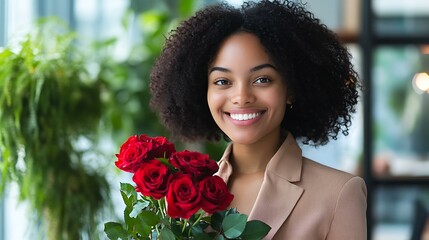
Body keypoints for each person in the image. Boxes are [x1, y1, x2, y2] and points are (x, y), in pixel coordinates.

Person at [149, 0, 367, 239]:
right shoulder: (182, 196)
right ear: (202, 92)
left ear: (291, 89)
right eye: (223, 81)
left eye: (262, 79)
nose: (241, 97)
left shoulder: (339, 194)